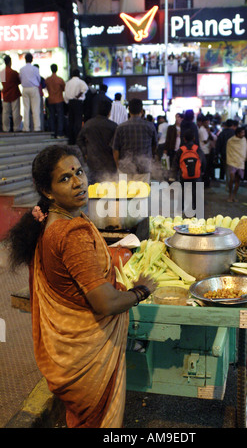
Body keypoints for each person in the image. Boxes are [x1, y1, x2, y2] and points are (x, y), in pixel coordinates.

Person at [6, 144, 156, 428]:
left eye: (79, 172)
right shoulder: (71, 234)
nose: (78, 182)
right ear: (48, 192)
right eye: (65, 178)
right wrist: (141, 291)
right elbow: (105, 303)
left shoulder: (56, 221)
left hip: (70, 357)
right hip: (86, 359)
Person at [112, 98, 157, 183]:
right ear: (142, 111)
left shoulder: (121, 127)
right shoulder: (150, 126)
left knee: (125, 194)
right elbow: (154, 146)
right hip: (143, 168)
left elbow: (115, 149)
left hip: (125, 168)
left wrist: (118, 166)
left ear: (128, 110)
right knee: (142, 194)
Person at [77, 99, 118, 183]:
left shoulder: (89, 124)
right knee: (110, 188)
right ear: (109, 112)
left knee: (95, 188)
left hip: (93, 160)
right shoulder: (113, 126)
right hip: (109, 162)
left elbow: (79, 139)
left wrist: (85, 152)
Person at [173, 129, 206, 213]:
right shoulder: (197, 149)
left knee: (183, 191)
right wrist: (202, 171)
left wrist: (176, 174)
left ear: (184, 139)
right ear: (194, 138)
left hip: (184, 175)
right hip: (196, 176)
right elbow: (204, 161)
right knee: (196, 192)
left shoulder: (181, 149)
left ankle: (181, 208)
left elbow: (175, 163)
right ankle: (196, 208)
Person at [64, 69, 88, 145]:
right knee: (78, 121)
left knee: (71, 121)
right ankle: (78, 139)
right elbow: (85, 88)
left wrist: (67, 102)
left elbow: (65, 94)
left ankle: (71, 140)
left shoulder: (68, 83)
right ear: (79, 74)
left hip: (70, 102)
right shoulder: (81, 82)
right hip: (78, 102)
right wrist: (79, 95)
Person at [19, 53, 41, 132]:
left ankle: (26, 127)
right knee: (35, 108)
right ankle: (36, 127)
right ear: (32, 59)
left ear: (25, 60)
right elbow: (39, 79)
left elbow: (20, 79)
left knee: (26, 109)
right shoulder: (35, 69)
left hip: (25, 89)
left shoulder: (22, 69)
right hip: (34, 88)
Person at [226, 126, 247, 202]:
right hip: (232, 162)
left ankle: (234, 196)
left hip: (241, 163)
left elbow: (245, 150)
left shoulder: (244, 140)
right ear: (238, 134)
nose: (243, 134)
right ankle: (230, 195)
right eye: (242, 133)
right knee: (231, 179)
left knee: (237, 180)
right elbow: (229, 151)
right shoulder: (230, 141)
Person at [1, 55, 22, 132]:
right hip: (14, 93)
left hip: (6, 94)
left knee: (5, 113)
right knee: (15, 111)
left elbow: (3, 83)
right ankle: (16, 127)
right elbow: (19, 81)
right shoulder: (13, 72)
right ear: (10, 62)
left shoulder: (2, 73)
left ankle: (5, 128)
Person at [45, 64, 65, 138]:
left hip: (50, 100)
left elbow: (46, 88)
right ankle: (60, 133)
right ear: (56, 69)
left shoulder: (47, 80)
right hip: (59, 99)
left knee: (51, 117)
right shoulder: (60, 80)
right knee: (60, 117)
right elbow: (64, 88)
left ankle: (52, 133)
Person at [197, 116, 216, 188]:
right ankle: (204, 183)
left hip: (207, 150)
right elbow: (205, 141)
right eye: (206, 122)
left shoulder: (205, 129)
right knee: (205, 168)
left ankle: (206, 182)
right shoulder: (202, 130)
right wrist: (209, 133)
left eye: (208, 122)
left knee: (208, 167)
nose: (207, 123)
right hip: (204, 151)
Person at [215, 119, 235, 184]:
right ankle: (231, 183)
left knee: (226, 168)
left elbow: (218, 144)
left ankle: (228, 183)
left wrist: (217, 153)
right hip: (233, 153)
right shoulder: (234, 133)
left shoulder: (222, 133)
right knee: (232, 168)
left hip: (224, 153)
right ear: (232, 125)